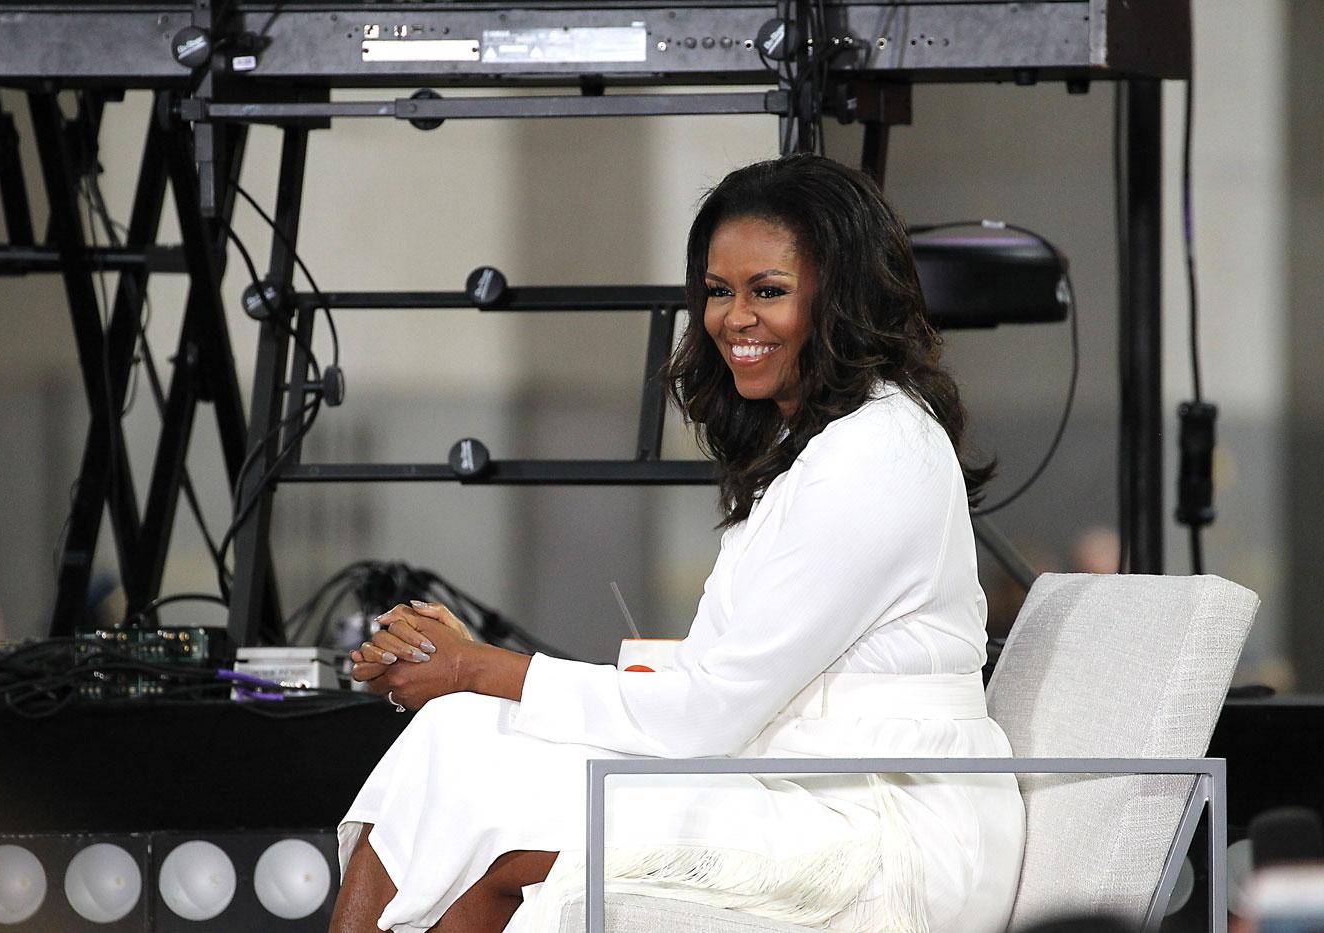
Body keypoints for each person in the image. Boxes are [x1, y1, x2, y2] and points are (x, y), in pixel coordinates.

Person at [331, 154, 1025, 933]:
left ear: (843, 298)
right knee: (457, 737)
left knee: (486, 817)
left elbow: (708, 712)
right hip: (787, 784)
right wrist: (473, 678)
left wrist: (484, 667)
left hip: (881, 831)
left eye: (768, 291)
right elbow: (718, 681)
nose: (734, 318)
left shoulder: (876, 452)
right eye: (719, 292)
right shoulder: (815, 443)